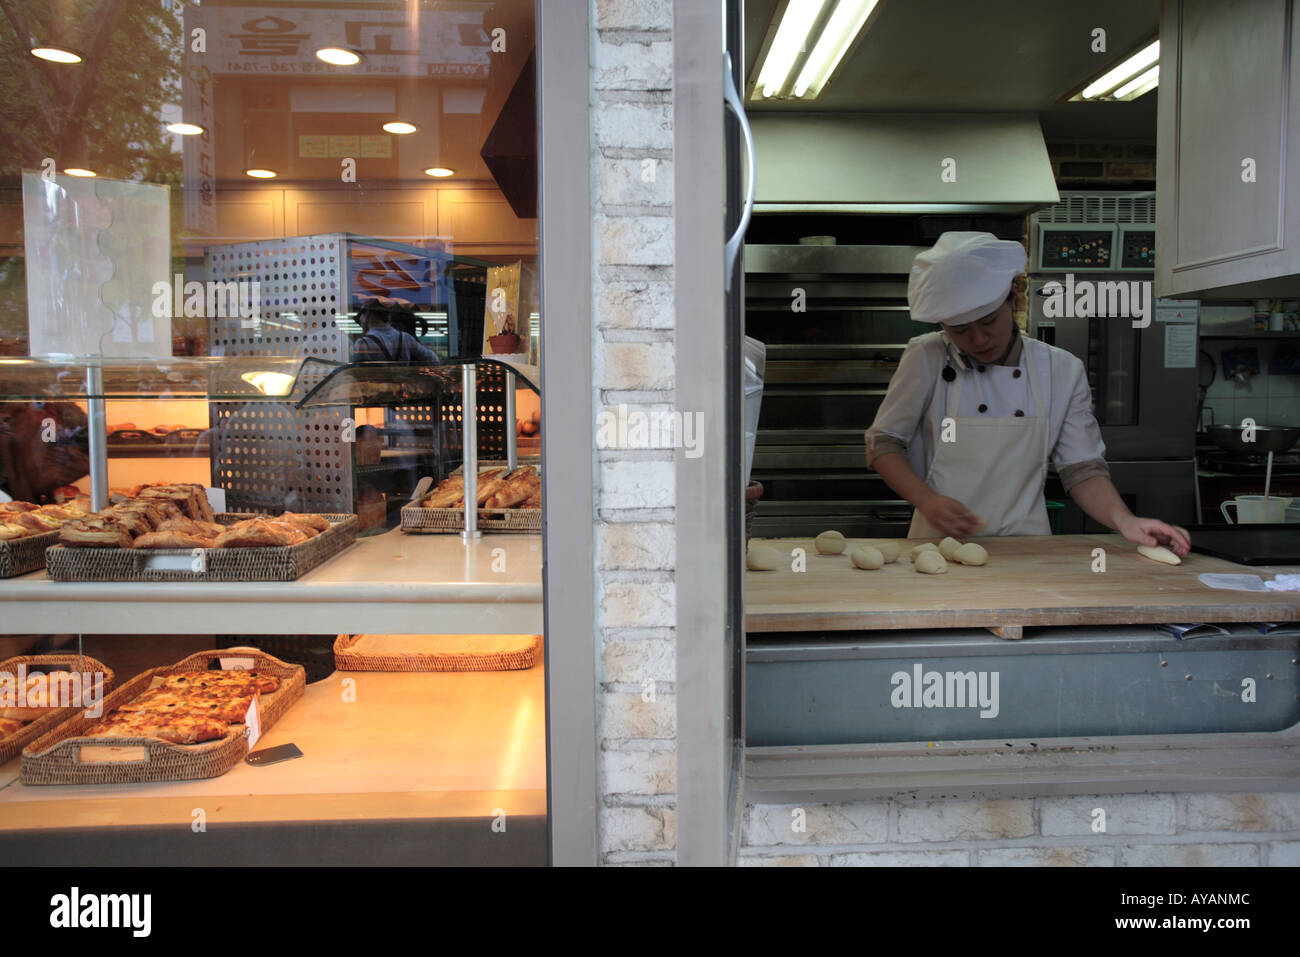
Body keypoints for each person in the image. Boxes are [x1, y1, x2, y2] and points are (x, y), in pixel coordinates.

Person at [865, 231, 1190, 556]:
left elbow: (1081, 468)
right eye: (960, 330)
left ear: (1014, 294)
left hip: (1029, 550)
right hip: (938, 547)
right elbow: (883, 443)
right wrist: (926, 500)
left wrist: (1126, 521)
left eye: (989, 321)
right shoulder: (926, 356)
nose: (978, 340)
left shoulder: (1060, 369)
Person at [352, 297, 439, 364]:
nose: (360, 319)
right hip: (403, 386)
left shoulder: (363, 343)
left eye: (361, 315)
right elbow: (433, 360)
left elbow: (359, 374)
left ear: (368, 314)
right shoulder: (406, 338)